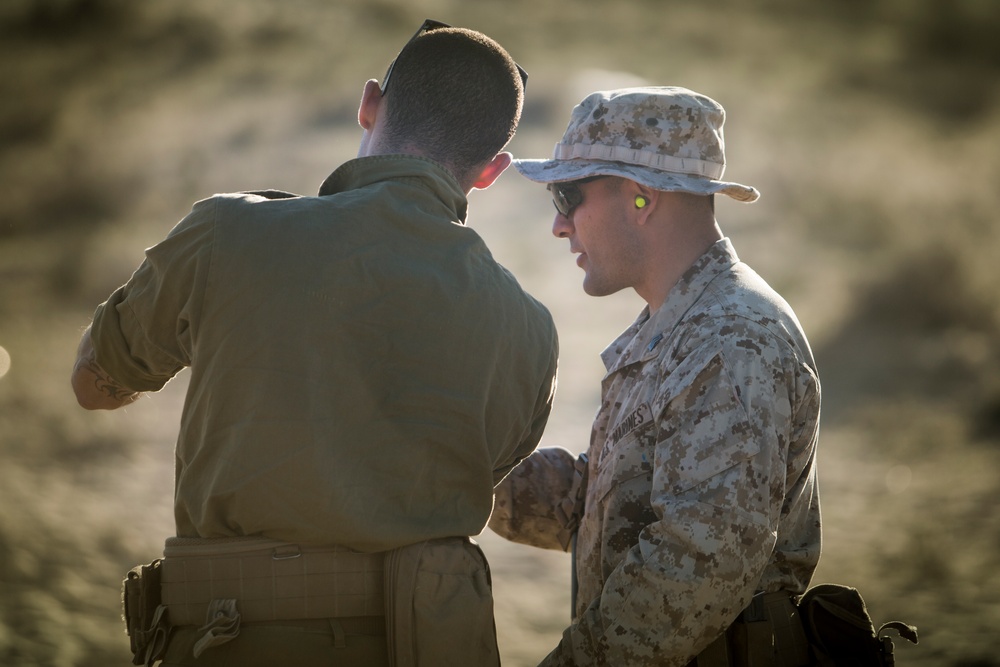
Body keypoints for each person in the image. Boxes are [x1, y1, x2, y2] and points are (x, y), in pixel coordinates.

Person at [71, 20, 558, 666]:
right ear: (492, 171)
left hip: (236, 640)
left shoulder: (228, 233)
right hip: (427, 643)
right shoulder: (531, 328)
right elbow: (483, 467)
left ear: (369, 103)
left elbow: (93, 381)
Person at [488, 87, 821, 667]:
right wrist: (458, 461)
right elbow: (603, 507)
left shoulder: (732, 339)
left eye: (568, 195)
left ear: (641, 198)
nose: (558, 226)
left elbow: (696, 567)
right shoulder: (681, 325)